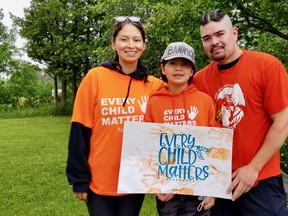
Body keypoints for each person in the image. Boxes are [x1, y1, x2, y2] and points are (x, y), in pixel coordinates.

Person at [66, 16, 165, 216]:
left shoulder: (154, 86)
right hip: (99, 181)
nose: (131, 45)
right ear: (113, 43)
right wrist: (79, 179)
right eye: (124, 39)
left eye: (137, 40)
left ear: (144, 45)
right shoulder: (95, 78)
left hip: (134, 180)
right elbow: (79, 129)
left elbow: (183, 97)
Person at [193, 9, 288, 216]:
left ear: (234, 33)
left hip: (260, 179)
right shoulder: (199, 80)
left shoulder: (266, 65)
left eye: (220, 34)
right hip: (220, 184)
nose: (214, 42)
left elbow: (283, 121)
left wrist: (253, 168)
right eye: (207, 38)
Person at [144, 41, 216, 216]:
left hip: (199, 188)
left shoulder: (204, 101)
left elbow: (214, 147)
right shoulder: (154, 102)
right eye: (172, 64)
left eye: (185, 64)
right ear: (163, 68)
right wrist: (156, 185)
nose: (178, 69)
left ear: (192, 71)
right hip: (167, 189)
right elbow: (148, 147)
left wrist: (213, 189)